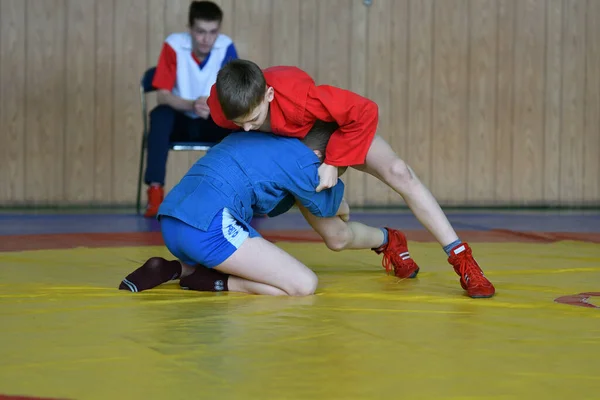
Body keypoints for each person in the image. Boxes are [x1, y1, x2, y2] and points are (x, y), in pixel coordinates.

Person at [205, 59, 495, 298]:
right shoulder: (223, 106)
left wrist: (333, 161)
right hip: (301, 157)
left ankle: (462, 259)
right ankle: (389, 240)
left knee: (400, 172)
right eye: (238, 123)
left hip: (338, 132)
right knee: (336, 239)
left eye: (253, 120)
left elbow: (364, 111)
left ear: (268, 94)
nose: (245, 129)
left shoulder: (299, 97)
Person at [119, 122, 416, 295]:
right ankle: (209, 280)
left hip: (171, 219)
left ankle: (176, 268)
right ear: (318, 155)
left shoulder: (255, 137)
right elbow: (339, 215)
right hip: (209, 228)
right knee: (301, 285)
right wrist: (341, 203)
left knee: (251, 248)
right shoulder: (304, 164)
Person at [143, 1, 238, 218]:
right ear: (190, 29)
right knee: (159, 116)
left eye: (213, 32)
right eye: (200, 32)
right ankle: (155, 194)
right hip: (180, 119)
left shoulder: (226, 47)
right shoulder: (174, 45)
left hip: (211, 119)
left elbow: (234, 96)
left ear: (219, 30)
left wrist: (214, 107)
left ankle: (239, 194)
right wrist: (192, 104)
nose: (207, 39)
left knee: (238, 124)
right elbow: (162, 95)